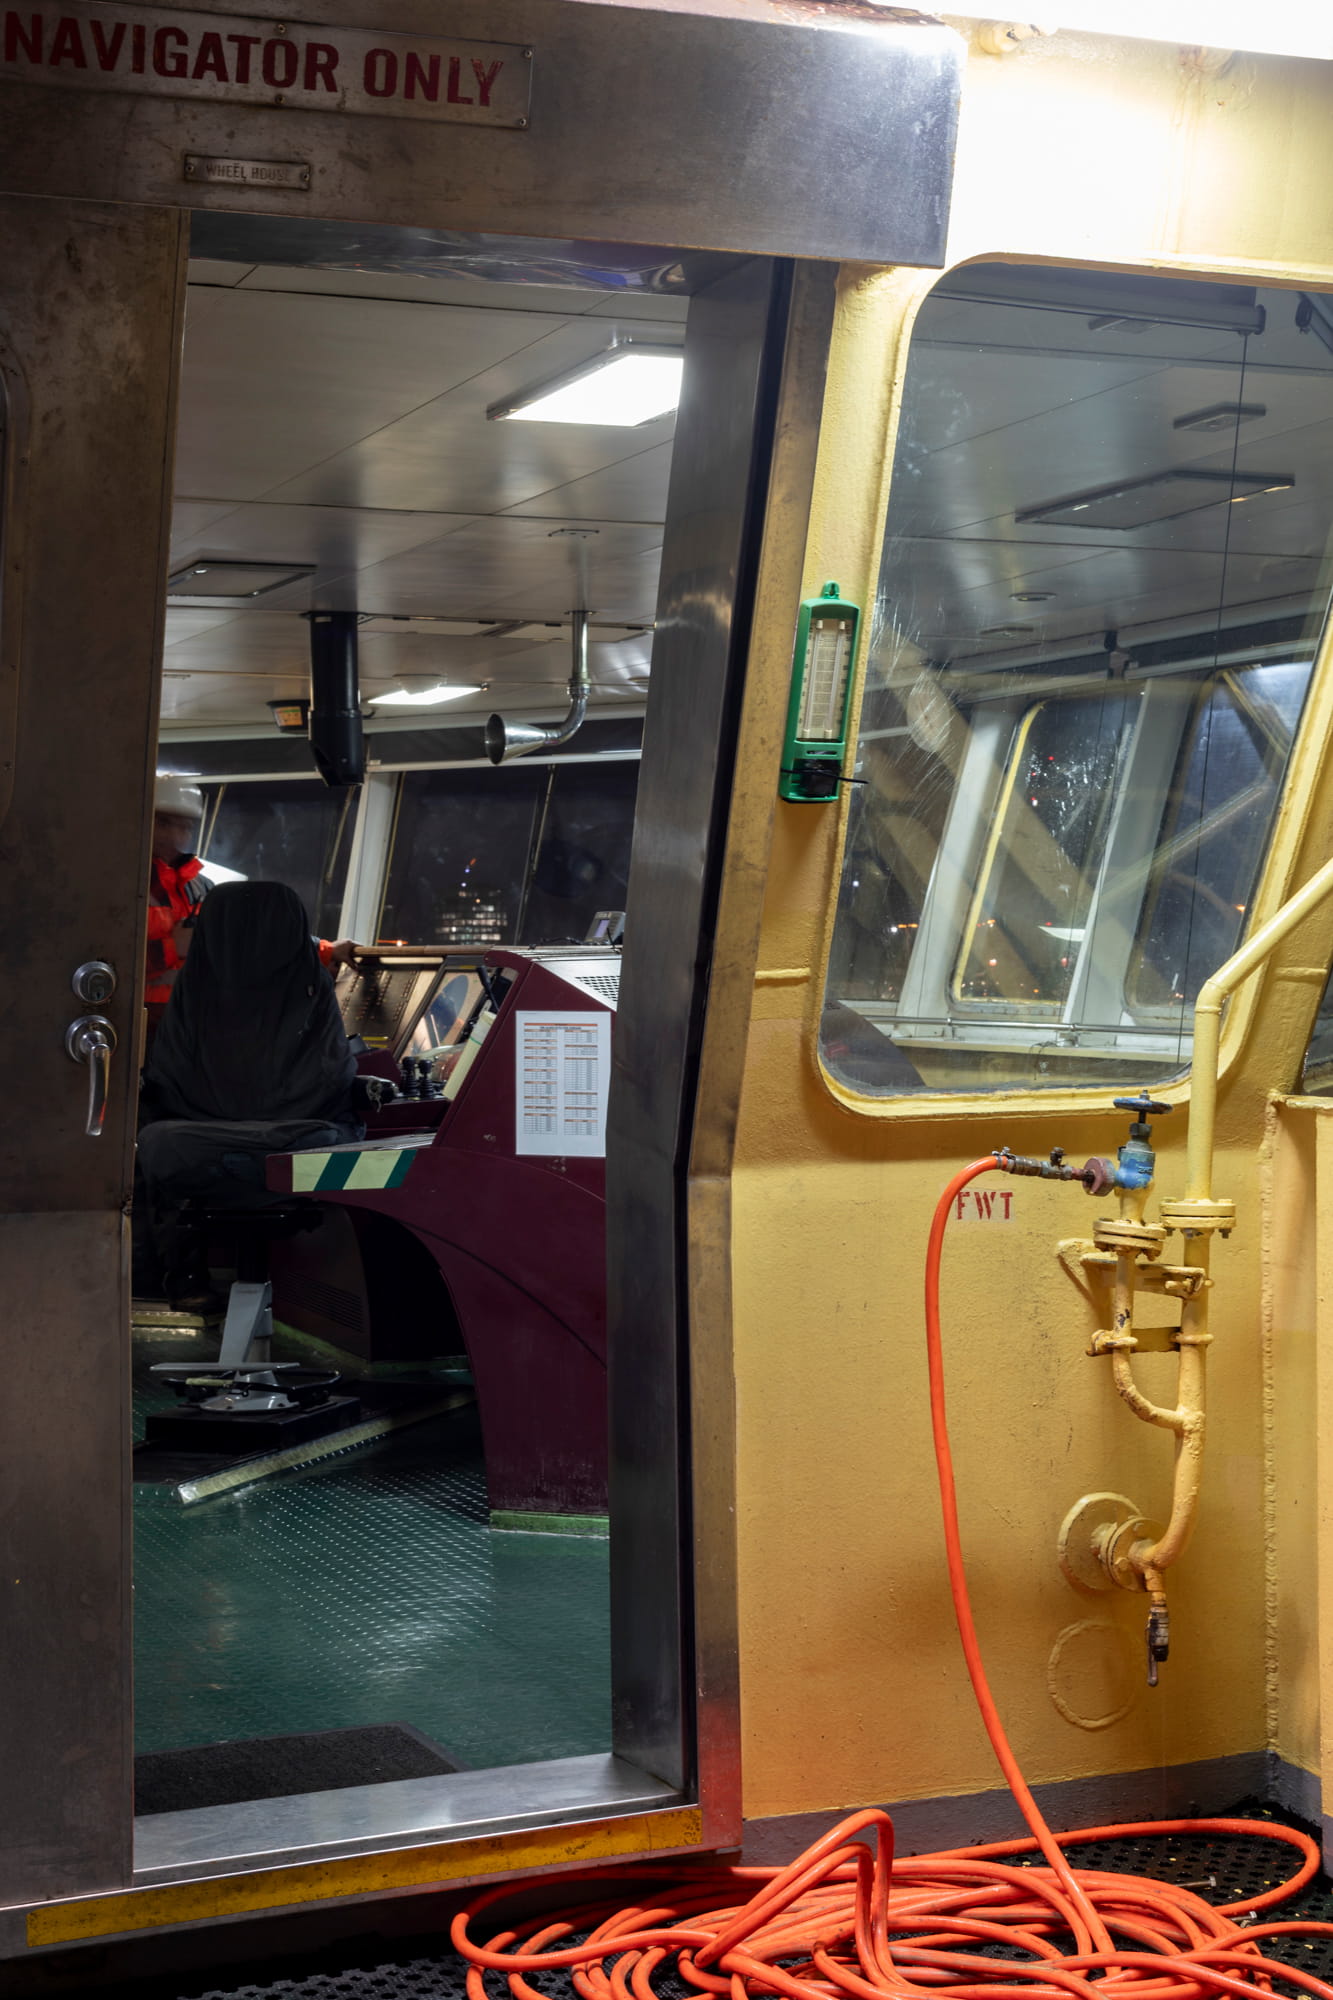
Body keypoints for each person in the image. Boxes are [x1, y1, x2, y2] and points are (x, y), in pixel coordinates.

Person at [137, 880, 364, 1304]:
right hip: (294, 1146)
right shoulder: (310, 984)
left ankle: (182, 1278)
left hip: (192, 1152)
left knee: (152, 1140)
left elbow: (167, 1077)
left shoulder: (194, 985)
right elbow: (335, 1076)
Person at [145, 774, 360, 1041]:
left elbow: (252, 937)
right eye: (163, 823)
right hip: (138, 1029)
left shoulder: (202, 888)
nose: (175, 836)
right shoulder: (121, 888)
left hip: (195, 1028)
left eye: (185, 827)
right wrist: (172, 947)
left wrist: (324, 951)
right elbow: (108, 965)